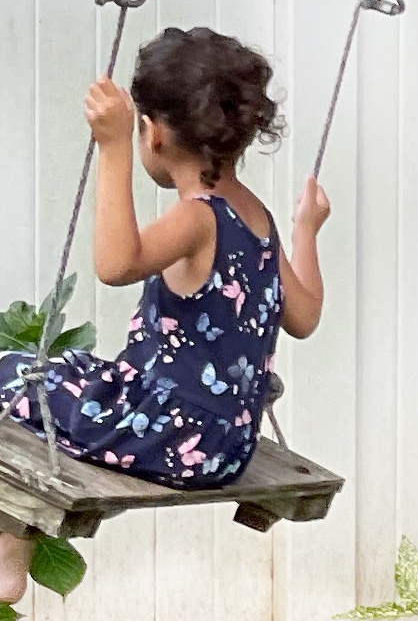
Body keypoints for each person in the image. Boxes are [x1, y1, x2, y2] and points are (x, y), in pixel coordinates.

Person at [1, 26, 330, 501]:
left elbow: (116, 265)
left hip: (162, 435)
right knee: (70, 376)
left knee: (10, 374)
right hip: (226, 448)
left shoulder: (199, 217)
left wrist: (112, 147)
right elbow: (305, 317)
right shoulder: (258, 217)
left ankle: (7, 566)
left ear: (153, 133)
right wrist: (306, 230)